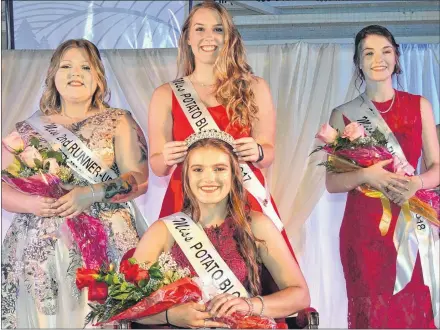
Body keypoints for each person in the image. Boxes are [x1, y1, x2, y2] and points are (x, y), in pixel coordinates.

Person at [1, 39, 149, 328]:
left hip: (105, 245)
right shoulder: (28, 128)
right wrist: (32, 203)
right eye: (66, 66)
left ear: (99, 78)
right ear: (53, 75)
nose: (75, 73)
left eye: (85, 66)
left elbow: (140, 179)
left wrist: (90, 193)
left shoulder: (119, 120)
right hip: (43, 251)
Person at [327, 25, 439, 328]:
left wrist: (417, 182)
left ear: (397, 57)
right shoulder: (343, 114)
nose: (379, 59)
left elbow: (436, 167)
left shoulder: (420, 105)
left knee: (414, 307)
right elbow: (332, 182)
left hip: (410, 223)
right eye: (369, 53)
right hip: (364, 231)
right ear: (359, 62)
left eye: (386, 51)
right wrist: (366, 175)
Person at [133, 136, 310, 328]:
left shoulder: (257, 225)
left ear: (234, 174)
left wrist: (249, 305)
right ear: (186, 176)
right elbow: (124, 306)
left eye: (219, 169)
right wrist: (170, 316)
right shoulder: (163, 230)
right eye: (198, 169)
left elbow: (300, 295)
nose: (209, 178)